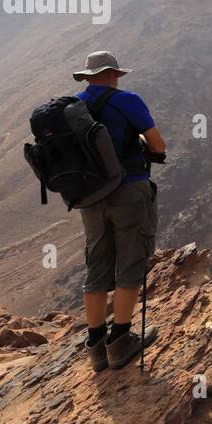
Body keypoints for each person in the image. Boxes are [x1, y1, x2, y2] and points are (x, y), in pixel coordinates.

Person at [70, 51, 166, 371]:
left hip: (90, 197)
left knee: (96, 266)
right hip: (129, 191)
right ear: (114, 74)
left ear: (86, 77)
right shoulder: (128, 101)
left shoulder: (73, 107)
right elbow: (158, 145)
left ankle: (96, 347)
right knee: (131, 261)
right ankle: (121, 340)